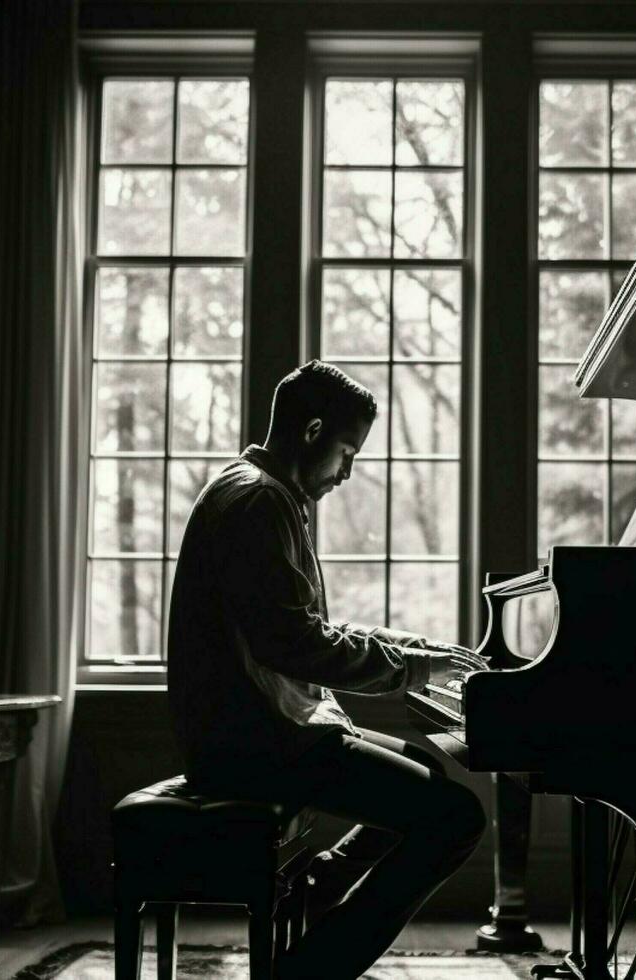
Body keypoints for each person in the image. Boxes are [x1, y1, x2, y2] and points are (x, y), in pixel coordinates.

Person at [167, 359, 488, 979]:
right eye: (347, 452)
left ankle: (319, 886)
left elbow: (308, 629)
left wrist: (420, 649)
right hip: (255, 743)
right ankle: (313, 972)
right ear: (312, 431)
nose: (348, 472)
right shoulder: (259, 504)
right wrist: (411, 669)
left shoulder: (260, 492)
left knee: (424, 766)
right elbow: (298, 646)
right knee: (457, 818)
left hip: (264, 729)